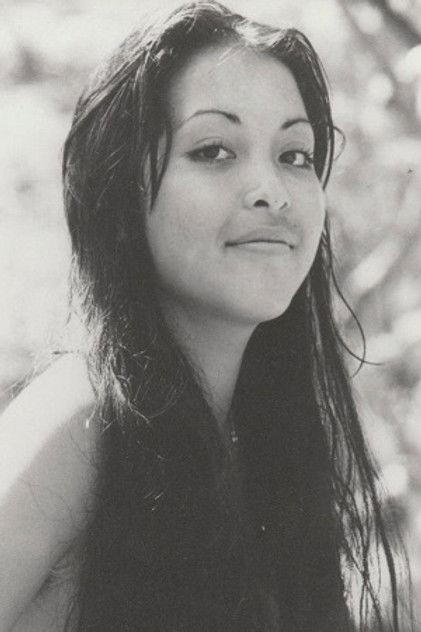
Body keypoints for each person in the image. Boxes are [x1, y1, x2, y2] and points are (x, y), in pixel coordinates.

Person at [0, 1, 412, 630]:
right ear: (121, 192)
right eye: (215, 150)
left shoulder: (266, 440)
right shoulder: (84, 422)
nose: (271, 191)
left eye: (295, 155)